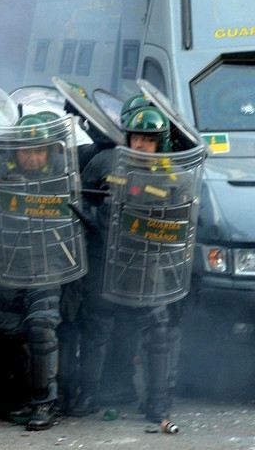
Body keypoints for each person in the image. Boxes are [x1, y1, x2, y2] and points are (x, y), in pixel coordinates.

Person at [70, 106, 182, 423]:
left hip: (146, 261)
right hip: (106, 258)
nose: (141, 145)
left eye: (148, 140)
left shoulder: (171, 174)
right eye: (136, 138)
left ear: (160, 143)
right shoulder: (109, 163)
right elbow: (84, 198)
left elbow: (178, 219)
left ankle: (158, 403)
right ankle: (87, 394)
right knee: (95, 325)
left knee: (157, 330)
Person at [0, 112, 67, 431]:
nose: (32, 158)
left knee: (41, 327)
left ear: (49, 152)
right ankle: (22, 399)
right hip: (10, 266)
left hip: (47, 266)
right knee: (10, 334)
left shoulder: (64, 179)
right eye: (26, 151)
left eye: (39, 151)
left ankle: (44, 403)